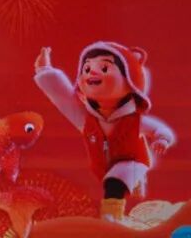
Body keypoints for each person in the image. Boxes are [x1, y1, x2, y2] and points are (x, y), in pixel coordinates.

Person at [34, 42, 175, 223]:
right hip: (102, 168)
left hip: (132, 161)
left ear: (130, 81)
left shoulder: (133, 120)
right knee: (112, 180)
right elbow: (62, 97)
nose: (92, 72)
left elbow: (158, 129)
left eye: (104, 67)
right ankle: (134, 185)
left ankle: (111, 221)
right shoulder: (86, 119)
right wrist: (44, 70)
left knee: (115, 183)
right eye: (86, 68)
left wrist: (162, 139)